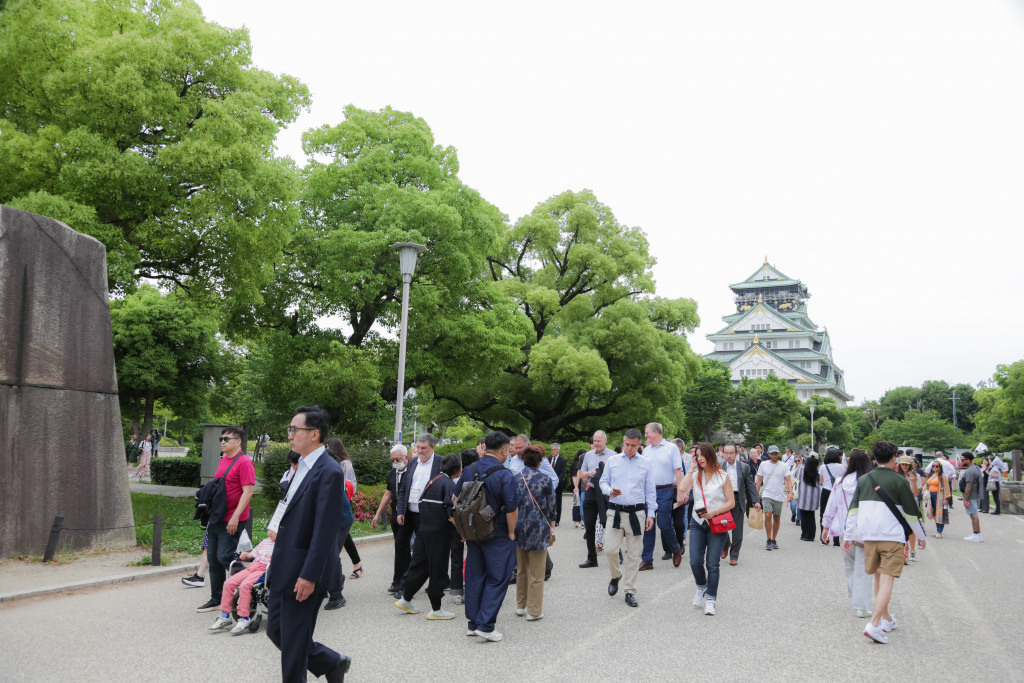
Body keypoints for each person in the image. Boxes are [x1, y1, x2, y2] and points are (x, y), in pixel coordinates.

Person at [265, 406, 349, 682]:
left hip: (304, 570)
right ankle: (332, 662)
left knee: (293, 642)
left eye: (294, 430)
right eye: (290, 429)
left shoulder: (329, 471)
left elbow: (325, 530)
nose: (289, 435)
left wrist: (309, 575)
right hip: (284, 563)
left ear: (315, 434)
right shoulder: (299, 466)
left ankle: (328, 664)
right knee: (276, 631)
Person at [843, 440, 926, 644]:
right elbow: (912, 514)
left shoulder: (864, 480)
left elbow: (853, 511)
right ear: (894, 458)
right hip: (891, 538)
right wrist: (921, 537)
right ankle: (874, 624)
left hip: (868, 537)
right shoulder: (900, 481)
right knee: (887, 581)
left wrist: (847, 536)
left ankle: (887, 619)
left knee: (879, 580)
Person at [457, 431, 519, 642]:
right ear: (503, 450)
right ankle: (486, 625)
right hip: (498, 533)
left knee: (475, 577)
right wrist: (511, 532)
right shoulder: (505, 474)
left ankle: (473, 624)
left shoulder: (469, 470)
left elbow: (455, 500)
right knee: (498, 577)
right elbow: (512, 509)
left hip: (474, 533)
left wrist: (463, 530)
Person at [196, 427, 256, 615]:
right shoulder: (223, 460)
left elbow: (248, 491)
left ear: (238, 442)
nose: (222, 442)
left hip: (232, 519)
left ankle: (249, 584)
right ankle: (217, 598)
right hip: (216, 517)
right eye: (221, 439)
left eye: (227, 439)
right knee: (213, 559)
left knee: (224, 556)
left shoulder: (244, 462)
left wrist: (235, 517)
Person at [394, 454, 460, 620]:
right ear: (456, 469)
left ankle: (406, 598)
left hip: (423, 530)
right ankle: (436, 609)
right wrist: (462, 532)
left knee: (420, 566)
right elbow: (451, 512)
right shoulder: (449, 484)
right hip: (438, 533)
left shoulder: (433, 481)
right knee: (437, 568)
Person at [599, 429, 656, 608]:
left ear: (639, 445)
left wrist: (651, 514)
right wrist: (610, 491)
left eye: (633, 445)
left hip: (637, 513)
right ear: (623, 443)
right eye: (626, 445)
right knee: (609, 549)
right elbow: (603, 482)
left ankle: (630, 590)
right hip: (615, 511)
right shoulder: (613, 461)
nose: (629, 448)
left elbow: (650, 491)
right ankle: (616, 575)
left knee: (633, 555)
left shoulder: (646, 463)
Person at [678, 442, 734, 616]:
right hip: (697, 522)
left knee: (713, 564)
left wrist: (714, 512)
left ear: (710, 455)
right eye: (697, 455)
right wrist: (691, 468)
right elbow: (682, 488)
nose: (700, 458)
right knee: (694, 561)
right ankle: (701, 586)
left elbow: (731, 502)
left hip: (716, 523)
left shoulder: (722, 476)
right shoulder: (695, 475)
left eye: (702, 455)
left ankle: (711, 598)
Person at [821, 449, 873, 617]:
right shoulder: (869, 482)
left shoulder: (840, 482)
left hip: (845, 529)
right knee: (863, 567)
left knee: (849, 565)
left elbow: (832, 505)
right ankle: (862, 606)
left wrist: (825, 526)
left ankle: (854, 598)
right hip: (865, 530)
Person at [513, 445, 557, 621]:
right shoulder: (546, 479)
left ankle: (521, 605)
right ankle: (534, 610)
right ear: (540, 462)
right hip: (538, 528)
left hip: (518, 527)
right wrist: (552, 528)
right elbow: (551, 507)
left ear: (523, 460)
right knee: (537, 572)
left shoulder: (515, 478)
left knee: (522, 569)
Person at [396, 434, 443, 593]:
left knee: (419, 551)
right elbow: (404, 489)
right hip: (409, 513)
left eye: (423, 448)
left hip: (428, 515)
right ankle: (442, 579)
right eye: (418, 447)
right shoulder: (413, 462)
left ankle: (405, 586)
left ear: (432, 448)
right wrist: (401, 510)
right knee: (401, 544)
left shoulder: (440, 463)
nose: (419, 451)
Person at [208, 529, 276, 635]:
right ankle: (225, 616)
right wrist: (246, 555)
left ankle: (244, 618)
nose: (270, 533)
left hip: (264, 569)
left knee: (245, 585)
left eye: (273, 531)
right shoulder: (265, 542)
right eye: (268, 530)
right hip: (253, 566)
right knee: (228, 583)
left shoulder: (282, 544)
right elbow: (253, 554)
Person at [640, 423, 683, 570]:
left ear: (656, 433)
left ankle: (675, 548)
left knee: (664, 524)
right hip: (649, 492)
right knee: (648, 526)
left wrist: (680, 492)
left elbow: (678, 471)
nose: (645, 436)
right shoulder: (645, 451)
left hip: (666, 490)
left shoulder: (671, 448)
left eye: (647, 433)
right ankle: (647, 560)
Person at [372, 445, 412, 597]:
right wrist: (377, 514)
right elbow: (387, 494)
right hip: (396, 514)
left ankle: (402, 581)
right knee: (401, 547)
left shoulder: (412, 471)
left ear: (406, 457)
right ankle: (400, 579)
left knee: (401, 545)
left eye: (398, 459)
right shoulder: (393, 472)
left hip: (409, 514)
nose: (395, 462)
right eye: (393, 460)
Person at [326, 437, 363, 584]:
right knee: (345, 536)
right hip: (337, 506)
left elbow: (352, 482)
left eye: (327, 446)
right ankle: (357, 565)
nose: (325, 448)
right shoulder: (330, 462)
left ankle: (336, 580)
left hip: (343, 501)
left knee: (341, 539)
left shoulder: (345, 463)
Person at [719, 443, 760, 566]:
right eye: (726, 453)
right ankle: (725, 544)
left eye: (731, 453)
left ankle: (734, 555)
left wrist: (756, 500)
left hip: (737, 500)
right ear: (723, 454)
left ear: (736, 453)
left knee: (737, 530)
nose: (729, 456)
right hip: (723, 500)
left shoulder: (744, 467)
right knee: (722, 527)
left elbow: (751, 485)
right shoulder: (719, 467)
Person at [448, 448, 479, 604]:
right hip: (479, 520)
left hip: (459, 520)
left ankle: (457, 591)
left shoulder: (460, 476)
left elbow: (454, 498)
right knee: (475, 555)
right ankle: (473, 590)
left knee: (457, 556)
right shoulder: (480, 471)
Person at [578, 431, 613, 568]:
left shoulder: (613, 456)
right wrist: (589, 472)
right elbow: (581, 475)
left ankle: (618, 553)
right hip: (592, 490)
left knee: (611, 524)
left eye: (599, 441)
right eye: (594, 441)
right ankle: (591, 558)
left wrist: (607, 468)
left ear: (605, 440)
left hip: (607, 493)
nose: (596, 443)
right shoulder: (588, 455)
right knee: (590, 525)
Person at [755, 445, 792, 550]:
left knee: (776, 517)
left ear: (779, 454)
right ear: (769, 454)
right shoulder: (763, 464)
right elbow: (759, 480)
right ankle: (768, 539)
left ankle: (774, 539)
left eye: (776, 453)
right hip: (767, 493)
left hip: (779, 494)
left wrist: (790, 493)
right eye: (772, 453)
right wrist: (755, 495)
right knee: (767, 515)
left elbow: (788, 480)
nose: (774, 455)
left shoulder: (784, 465)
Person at [896, 455, 921, 561]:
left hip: (911, 503)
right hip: (899, 504)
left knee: (911, 528)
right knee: (900, 528)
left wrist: (913, 481)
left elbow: (916, 494)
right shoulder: (896, 476)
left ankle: (912, 551)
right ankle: (903, 551)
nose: (904, 466)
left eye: (906, 464)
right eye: (902, 464)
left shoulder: (916, 476)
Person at [818, 448, 845, 547]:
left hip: (826, 491)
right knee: (837, 515)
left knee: (824, 514)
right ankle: (836, 541)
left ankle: (824, 539)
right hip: (838, 491)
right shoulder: (842, 467)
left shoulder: (823, 467)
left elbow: (821, 482)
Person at [795, 456, 821, 542]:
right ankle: (811, 536)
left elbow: (795, 475)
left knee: (804, 515)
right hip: (814, 497)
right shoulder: (818, 471)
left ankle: (805, 534)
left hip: (803, 495)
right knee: (811, 515)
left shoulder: (801, 469)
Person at [959, 452, 984, 542]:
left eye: (962, 460)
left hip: (971, 495)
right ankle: (978, 534)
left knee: (973, 515)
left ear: (968, 460)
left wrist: (965, 499)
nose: (961, 461)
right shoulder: (976, 468)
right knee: (974, 514)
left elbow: (968, 485)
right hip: (976, 494)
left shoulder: (970, 471)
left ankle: (976, 534)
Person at [924, 460, 950, 539]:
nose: (934, 467)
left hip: (939, 496)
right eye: (933, 466)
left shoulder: (942, 476)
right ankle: (937, 531)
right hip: (931, 495)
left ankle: (940, 532)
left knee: (940, 514)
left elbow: (947, 487)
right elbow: (926, 484)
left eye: (937, 466)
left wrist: (946, 498)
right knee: (935, 514)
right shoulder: (931, 475)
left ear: (940, 467)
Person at [548, 443, 567, 526]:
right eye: (551, 450)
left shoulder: (562, 460)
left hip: (558, 484)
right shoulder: (548, 459)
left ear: (558, 450)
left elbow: (563, 472)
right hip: (549, 483)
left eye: (554, 450)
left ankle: (557, 520)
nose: (553, 451)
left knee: (558, 502)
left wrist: (557, 481)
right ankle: (549, 518)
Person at [570, 448, 587, 528]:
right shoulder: (575, 464)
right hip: (578, 486)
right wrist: (576, 486)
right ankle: (576, 520)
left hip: (583, 486)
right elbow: (574, 476)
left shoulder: (586, 464)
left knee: (582, 504)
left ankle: (582, 520)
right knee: (576, 503)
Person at [789, 455, 803, 524]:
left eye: (798, 461)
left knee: (799, 505)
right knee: (793, 505)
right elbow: (789, 478)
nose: (797, 462)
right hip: (794, 487)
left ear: (801, 461)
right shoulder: (792, 468)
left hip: (801, 488)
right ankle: (794, 514)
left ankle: (798, 519)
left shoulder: (804, 468)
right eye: (795, 461)